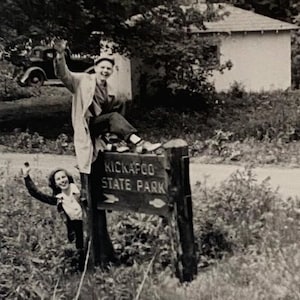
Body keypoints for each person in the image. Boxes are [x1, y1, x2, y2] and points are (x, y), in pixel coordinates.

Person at [53, 39, 161, 176]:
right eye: (102, 67)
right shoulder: (82, 80)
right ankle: (139, 142)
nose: (105, 71)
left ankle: (115, 142)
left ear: (112, 71)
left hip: (99, 126)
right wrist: (60, 55)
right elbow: (63, 74)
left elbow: (114, 115)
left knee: (121, 103)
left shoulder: (110, 91)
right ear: (96, 67)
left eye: (108, 68)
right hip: (86, 124)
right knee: (112, 119)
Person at [21, 162, 86, 271]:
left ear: (68, 178)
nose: (62, 180)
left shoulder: (79, 191)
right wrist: (26, 177)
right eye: (58, 179)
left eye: (63, 177)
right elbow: (37, 194)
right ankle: (80, 269)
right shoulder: (58, 199)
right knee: (79, 251)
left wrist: (82, 172)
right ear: (55, 184)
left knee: (92, 247)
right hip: (73, 227)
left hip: (87, 224)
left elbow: (90, 186)